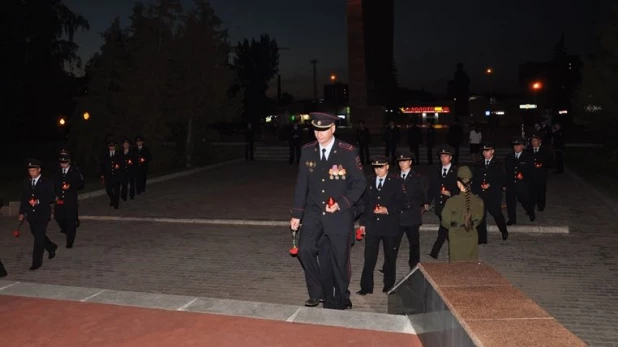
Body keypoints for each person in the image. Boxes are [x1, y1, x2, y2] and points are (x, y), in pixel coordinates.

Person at [290, 112, 366, 310]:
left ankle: (342, 296)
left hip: (339, 213)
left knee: (340, 261)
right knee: (305, 250)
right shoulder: (308, 151)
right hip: (314, 212)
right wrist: (297, 214)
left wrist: (342, 203)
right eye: (316, 130)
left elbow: (359, 183)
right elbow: (301, 184)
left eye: (323, 130)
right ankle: (319, 291)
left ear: (332, 129)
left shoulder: (347, 151)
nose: (319, 134)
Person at [357, 155, 408, 295]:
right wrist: (362, 223)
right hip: (372, 225)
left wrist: (388, 210)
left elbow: (403, 203)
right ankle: (366, 286)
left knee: (390, 257)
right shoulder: (369, 181)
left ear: (387, 166)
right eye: (375, 167)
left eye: (381, 167)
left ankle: (389, 285)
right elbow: (364, 204)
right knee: (369, 257)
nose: (378, 170)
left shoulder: (396, 182)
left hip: (390, 226)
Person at [19, 159, 57, 271]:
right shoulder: (26, 182)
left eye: (33, 170)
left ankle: (36, 262)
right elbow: (24, 198)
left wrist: (38, 201)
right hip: (31, 214)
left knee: (38, 239)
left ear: (39, 170)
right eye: (30, 170)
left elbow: (51, 197)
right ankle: (51, 246)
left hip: (42, 214)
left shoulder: (46, 182)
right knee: (36, 234)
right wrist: (21, 212)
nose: (31, 173)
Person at [441, 166, 485, 262]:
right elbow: (479, 220)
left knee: (457, 269)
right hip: (472, 236)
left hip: (456, 237)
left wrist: (455, 225)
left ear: (458, 183)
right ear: (471, 183)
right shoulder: (479, 201)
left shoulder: (452, 201)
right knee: (470, 267)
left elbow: (445, 221)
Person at [472, 142, 508, 243]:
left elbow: (502, 178)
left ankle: (503, 230)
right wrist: (475, 191)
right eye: (483, 151)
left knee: (496, 213)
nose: (485, 153)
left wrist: (490, 184)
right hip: (481, 194)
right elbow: (476, 178)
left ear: (492, 151)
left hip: (493, 194)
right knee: (481, 216)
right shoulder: (479, 164)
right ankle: (482, 238)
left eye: (487, 151)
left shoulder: (498, 164)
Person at [395, 151, 426, 270]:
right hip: (398, 216)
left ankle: (414, 266)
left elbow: (422, 196)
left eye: (405, 161)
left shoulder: (418, 178)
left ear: (410, 162)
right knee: (393, 243)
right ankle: (389, 265)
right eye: (400, 161)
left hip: (412, 216)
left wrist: (411, 204)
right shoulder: (394, 177)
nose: (402, 164)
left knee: (414, 243)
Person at [427, 147, 459, 259]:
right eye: (441, 156)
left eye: (445, 156)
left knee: (445, 229)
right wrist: (427, 202)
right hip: (440, 206)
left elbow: (461, 189)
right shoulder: (436, 170)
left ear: (450, 158)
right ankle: (454, 251)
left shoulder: (456, 171)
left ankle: (436, 251)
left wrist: (451, 193)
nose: (443, 158)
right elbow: (431, 188)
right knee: (446, 228)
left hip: (451, 206)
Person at [53, 150, 85, 248]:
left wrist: (71, 186)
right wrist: (54, 194)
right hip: (60, 199)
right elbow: (53, 183)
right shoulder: (57, 170)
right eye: (61, 162)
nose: (63, 164)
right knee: (58, 217)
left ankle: (69, 241)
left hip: (70, 199)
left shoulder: (75, 170)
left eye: (65, 162)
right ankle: (67, 229)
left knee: (70, 220)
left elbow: (81, 184)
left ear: (69, 161)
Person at [504, 137, 535, 225]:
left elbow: (532, 171)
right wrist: (504, 183)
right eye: (514, 146)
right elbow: (506, 171)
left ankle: (530, 211)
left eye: (518, 145)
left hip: (522, 184)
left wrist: (524, 176)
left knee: (524, 199)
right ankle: (512, 219)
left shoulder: (528, 157)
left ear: (522, 146)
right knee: (510, 201)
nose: (516, 147)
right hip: (511, 183)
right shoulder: (509, 157)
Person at [527, 133, 554, 212]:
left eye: (535, 141)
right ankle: (530, 207)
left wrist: (542, 164)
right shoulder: (528, 151)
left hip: (541, 175)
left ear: (539, 142)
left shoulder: (545, 151)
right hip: (531, 175)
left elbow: (551, 163)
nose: (533, 142)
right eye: (532, 141)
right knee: (530, 192)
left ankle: (541, 206)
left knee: (540, 191)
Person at [100, 140, 124, 209]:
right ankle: (113, 199)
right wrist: (102, 174)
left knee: (116, 190)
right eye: (110, 146)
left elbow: (122, 163)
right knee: (109, 190)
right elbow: (102, 165)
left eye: (113, 146)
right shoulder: (105, 155)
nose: (112, 147)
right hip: (108, 176)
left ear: (115, 146)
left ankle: (116, 204)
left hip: (117, 175)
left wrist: (119, 165)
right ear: (108, 147)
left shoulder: (119, 154)